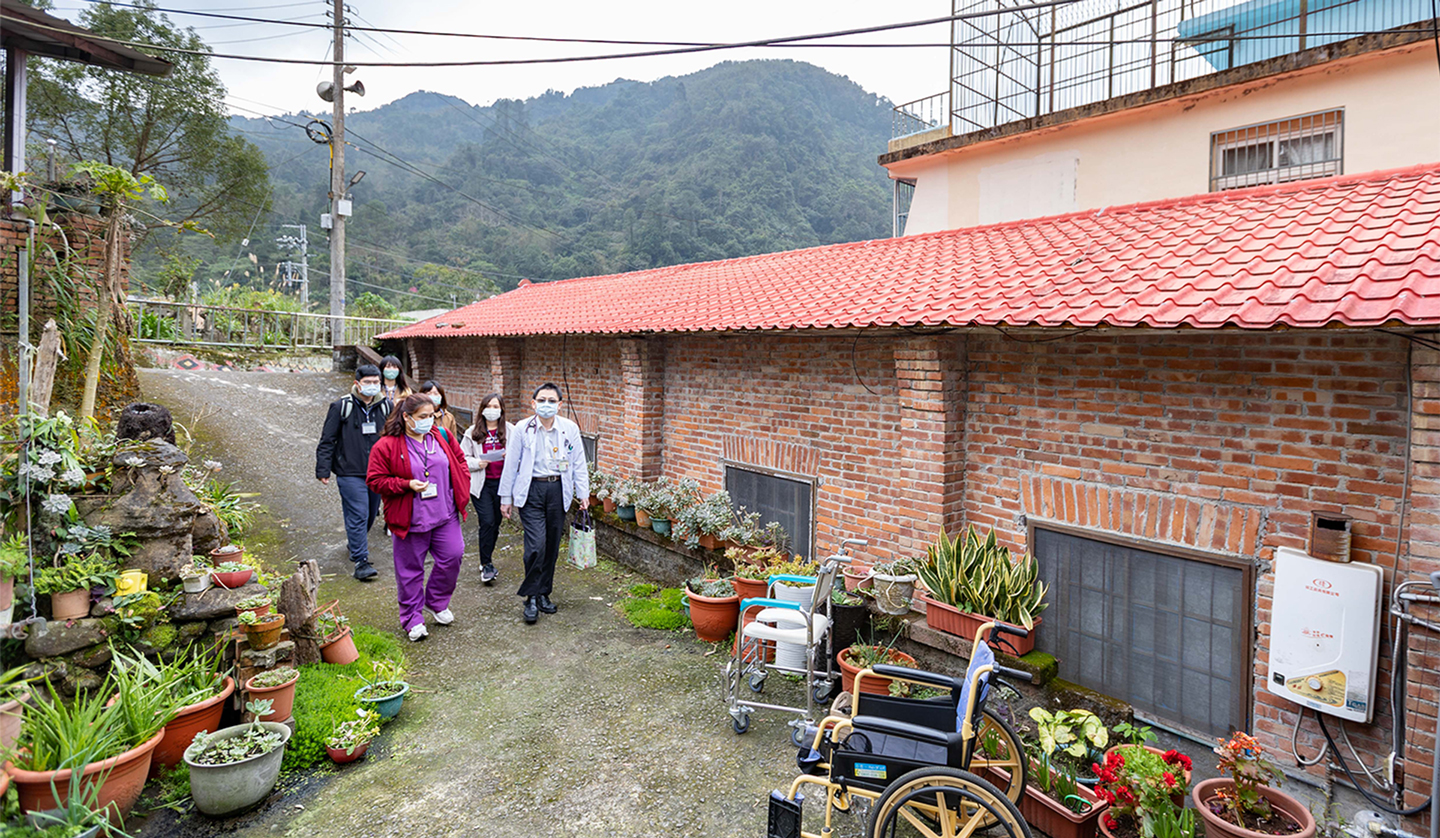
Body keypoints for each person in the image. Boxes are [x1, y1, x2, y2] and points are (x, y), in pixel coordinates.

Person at [366, 394, 471, 641]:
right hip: (410, 519)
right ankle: (413, 618)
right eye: (422, 417)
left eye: (432, 415)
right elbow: (374, 480)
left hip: (445, 513)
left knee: (453, 556)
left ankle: (435, 601)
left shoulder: (440, 436)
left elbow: (459, 461)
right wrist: (405, 484)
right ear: (406, 417)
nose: (429, 421)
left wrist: (461, 486)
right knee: (410, 571)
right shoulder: (387, 445)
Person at [499, 383, 590, 624]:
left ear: (560, 404)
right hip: (531, 490)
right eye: (542, 400)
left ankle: (542, 594)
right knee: (536, 545)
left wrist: (583, 493)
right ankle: (529, 596)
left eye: (552, 400)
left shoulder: (569, 428)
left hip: (558, 489)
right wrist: (505, 498)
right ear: (533, 403)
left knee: (551, 546)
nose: (546, 405)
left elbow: (578, 462)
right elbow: (511, 464)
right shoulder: (522, 428)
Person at [315, 364, 390, 581]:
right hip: (349, 471)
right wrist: (323, 469)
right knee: (358, 513)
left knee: (369, 514)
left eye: (376, 382)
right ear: (357, 383)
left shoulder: (386, 406)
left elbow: (395, 438)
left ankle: (355, 543)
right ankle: (361, 561)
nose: (372, 386)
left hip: (377, 472)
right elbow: (327, 440)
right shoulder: (341, 406)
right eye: (368, 382)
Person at [460, 394, 511, 585]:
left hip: (502, 485)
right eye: (488, 406)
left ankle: (486, 556)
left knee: (495, 523)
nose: (492, 409)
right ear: (482, 410)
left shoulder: (510, 431)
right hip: (481, 485)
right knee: (487, 521)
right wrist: (477, 463)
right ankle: (486, 563)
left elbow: (521, 453)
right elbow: (462, 457)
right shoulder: (472, 432)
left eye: (496, 406)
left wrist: (510, 456)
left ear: (502, 410)